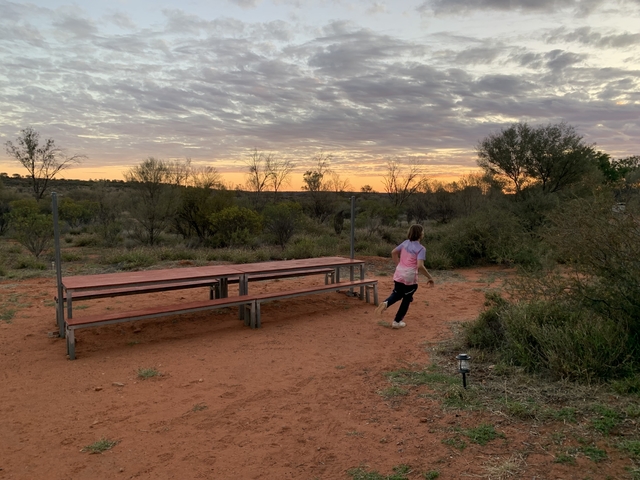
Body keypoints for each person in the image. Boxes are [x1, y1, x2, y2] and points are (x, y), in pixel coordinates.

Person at [375, 224, 434, 328]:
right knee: (407, 298)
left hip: (399, 273)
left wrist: (398, 264)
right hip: (410, 277)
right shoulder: (421, 249)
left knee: (397, 293)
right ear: (420, 234)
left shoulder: (405, 243)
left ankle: (386, 303)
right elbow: (420, 266)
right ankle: (397, 321)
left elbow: (393, 252)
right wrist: (430, 277)